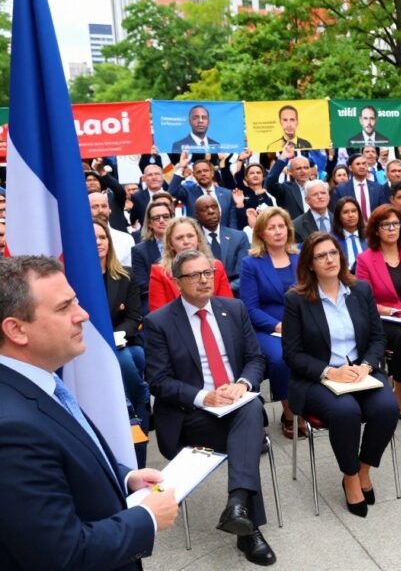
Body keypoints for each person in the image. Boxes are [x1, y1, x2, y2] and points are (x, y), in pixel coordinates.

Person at [0, 256, 179, 570]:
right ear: (16, 329)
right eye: (63, 307)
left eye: (76, 301)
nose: (82, 315)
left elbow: (64, 459)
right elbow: (61, 554)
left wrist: (124, 477)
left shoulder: (38, 381)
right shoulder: (11, 428)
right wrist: (147, 517)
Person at [145, 250, 276, 565]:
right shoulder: (159, 322)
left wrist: (242, 384)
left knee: (247, 411)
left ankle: (239, 509)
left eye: (207, 273)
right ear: (177, 282)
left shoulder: (234, 309)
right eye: (194, 275)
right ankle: (245, 522)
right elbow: (159, 382)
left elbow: (256, 359)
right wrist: (205, 397)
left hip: (237, 404)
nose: (203, 280)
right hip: (191, 417)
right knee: (248, 430)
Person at [282, 232, 399, 517]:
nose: (329, 259)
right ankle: (350, 477)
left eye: (333, 253)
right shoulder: (297, 300)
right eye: (321, 256)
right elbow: (292, 354)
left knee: (387, 407)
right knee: (346, 411)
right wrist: (329, 372)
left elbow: (377, 338)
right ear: (310, 264)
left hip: (360, 372)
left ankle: (363, 468)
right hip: (318, 378)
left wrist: (366, 365)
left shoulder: (360, 290)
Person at [355, 205, 401, 422]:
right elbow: (363, 299)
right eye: (386, 225)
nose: (392, 228)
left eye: (396, 223)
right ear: (376, 230)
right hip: (383, 319)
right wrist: (391, 310)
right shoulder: (365, 259)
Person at [240, 207, 302, 438]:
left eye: (281, 226)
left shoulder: (301, 256)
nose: (278, 232)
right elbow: (250, 308)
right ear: (261, 233)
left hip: (303, 321)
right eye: (271, 227)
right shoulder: (251, 263)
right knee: (281, 357)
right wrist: (278, 326)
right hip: (268, 326)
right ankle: (290, 413)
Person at [94, 220, 150, 450]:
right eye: (92, 238)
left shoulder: (126, 275)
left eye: (102, 237)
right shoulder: (76, 278)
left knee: (132, 356)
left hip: (122, 339)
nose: (98, 242)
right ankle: (139, 404)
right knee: (127, 360)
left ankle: (135, 411)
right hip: (92, 343)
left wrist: (115, 336)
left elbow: (134, 317)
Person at [149, 217, 233, 312]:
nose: (186, 242)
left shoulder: (216, 266)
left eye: (190, 236)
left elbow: (228, 307)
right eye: (179, 238)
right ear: (170, 244)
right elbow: (158, 315)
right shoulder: (160, 272)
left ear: (198, 239)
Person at [168, 153, 236, 226]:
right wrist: (182, 167)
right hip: (198, 232)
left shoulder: (227, 194)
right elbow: (172, 191)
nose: (203, 174)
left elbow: (232, 220)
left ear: (212, 173)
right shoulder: (188, 191)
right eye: (199, 172)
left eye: (205, 170)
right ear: (194, 175)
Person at [131, 201, 173, 314]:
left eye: (166, 216)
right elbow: (142, 285)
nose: (162, 220)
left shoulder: (184, 243)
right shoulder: (139, 251)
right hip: (156, 301)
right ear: (149, 224)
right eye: (156, 218)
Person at [89, 191, 135, 269]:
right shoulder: (78, 240)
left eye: (104, 206)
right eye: (95, 207)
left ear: (110, 210)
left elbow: (129, 272)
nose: (101, 210)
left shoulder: (126, 239)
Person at [336, 155, 388, 222]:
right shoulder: (341, 189)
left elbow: (384, 210)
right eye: (358, 164)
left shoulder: (378, 188)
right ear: (350, 168)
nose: (362, 166)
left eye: (364, 164)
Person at [232, 163, 276, 230]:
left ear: (263, 176)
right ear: (246, 177)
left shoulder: (271, 196)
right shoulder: (240, 194)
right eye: (252, 173)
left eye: (258, 173)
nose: (255, 175)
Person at [333, 197, 367, 273]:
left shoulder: (370, 236)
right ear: (339, 217)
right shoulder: (333, 240)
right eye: (345, 212)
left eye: (354, 211)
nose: (351, 215)